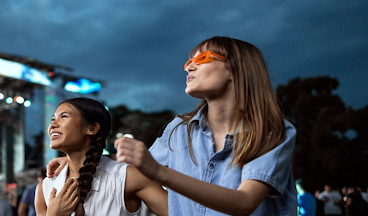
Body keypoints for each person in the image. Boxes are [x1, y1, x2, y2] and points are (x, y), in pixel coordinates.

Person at [49, 36, 298, 215]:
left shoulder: (273, 132)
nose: (188, 66)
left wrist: (160, 173)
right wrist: (77, 158)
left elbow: (244, 203)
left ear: (236, 68)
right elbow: (135, 161)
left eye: (202, 58)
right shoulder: (179, 129)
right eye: (188, 61)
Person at [35, 97, 168, 216]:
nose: (52, 125)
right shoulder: (45, 187)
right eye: (53, 119)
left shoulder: (127, 178)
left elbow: (183, 211)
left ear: (92, 129)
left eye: (63, 116)